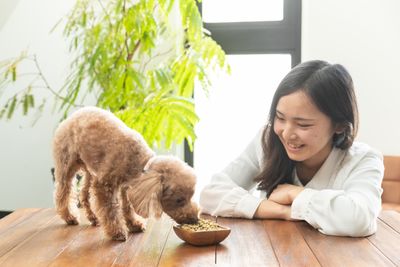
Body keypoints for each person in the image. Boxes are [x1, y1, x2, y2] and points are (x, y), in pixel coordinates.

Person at [199, 60, 384, 237]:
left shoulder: (364, 160)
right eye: (280, 118)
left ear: (339, 126)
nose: (286, 134)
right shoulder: (267, 140)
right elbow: (211, 193)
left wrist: (295, 193)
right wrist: (279, 211)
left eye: (303, 125)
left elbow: (361, 219)